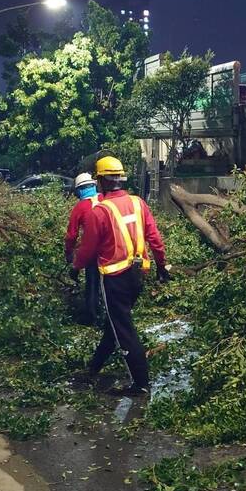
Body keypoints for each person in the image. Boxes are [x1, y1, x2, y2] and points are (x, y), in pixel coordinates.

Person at [73, 156, 170, 394]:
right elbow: (155, 238)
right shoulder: (138, 203)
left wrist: (75, 268)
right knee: (115, 324)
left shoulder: (100, 211)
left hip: (115, 279)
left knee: (123, 329)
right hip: (138, 276)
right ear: (120, 178)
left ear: (101, 181)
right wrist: (161, 266)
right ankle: (93, 368)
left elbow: (88, 248)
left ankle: (141, 384)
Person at [65, 173, 103, 325]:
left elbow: (71, 235)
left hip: (92, 251)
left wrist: (69, 253)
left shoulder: (80, 207)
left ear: (79, 190)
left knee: (92, 283)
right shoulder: (105, 199)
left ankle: (92, 317)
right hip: (112, 249)